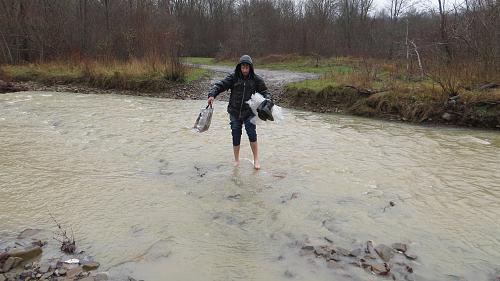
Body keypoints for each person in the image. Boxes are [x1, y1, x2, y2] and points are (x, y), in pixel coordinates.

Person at [207, 55, 272, 170]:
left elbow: (266, 92)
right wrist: (212, 94)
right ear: (239, 67)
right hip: (234, 111)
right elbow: (220, 85)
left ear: (250, 68)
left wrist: (268, 101)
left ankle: (256, 159)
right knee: (236, 134)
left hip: (249, 112)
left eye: (247, 68)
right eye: (243, 67)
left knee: (251, 133)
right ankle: (236, 160)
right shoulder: (233, 77)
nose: (245, 70)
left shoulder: (256, 79)